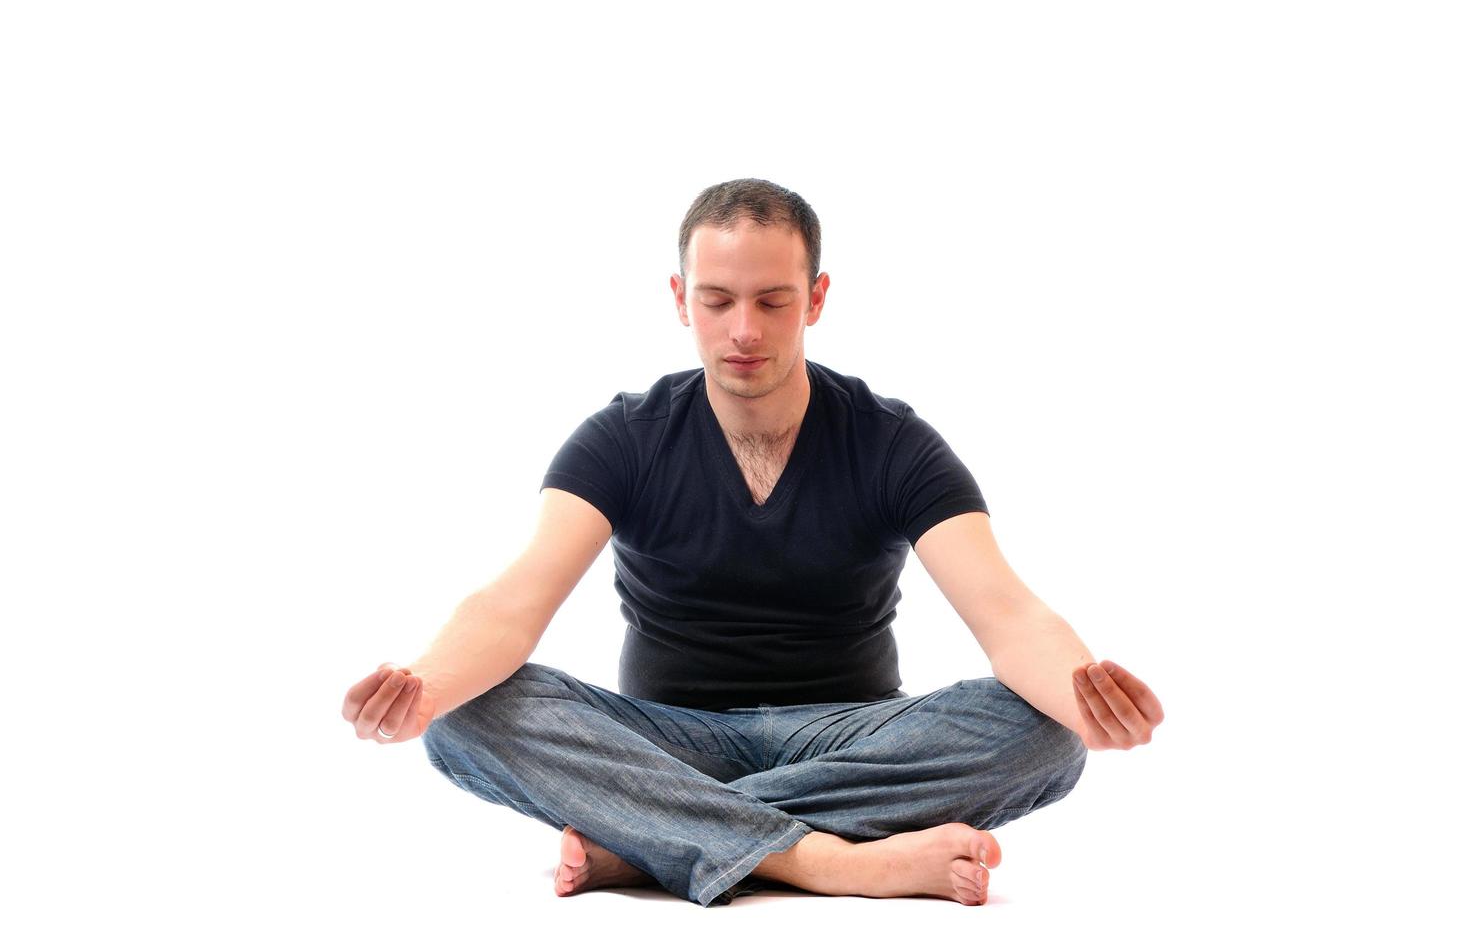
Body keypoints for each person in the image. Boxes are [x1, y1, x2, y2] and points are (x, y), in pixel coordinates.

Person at [340, 177, 1166, 908]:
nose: (743, 330)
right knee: (463, 714)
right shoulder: (623, 437)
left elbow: (1010, 615)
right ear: (679, 297)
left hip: (850, 734)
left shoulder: (892, 441)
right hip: (665, 733)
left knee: (1045, 735)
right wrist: (422, 687)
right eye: (717, 300)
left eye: (772, 300)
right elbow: (511, 604)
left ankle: (651, 838)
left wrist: (1086, 697)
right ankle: (827, 863)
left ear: (815, 297)